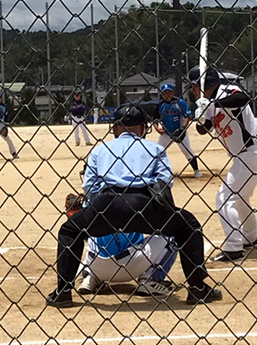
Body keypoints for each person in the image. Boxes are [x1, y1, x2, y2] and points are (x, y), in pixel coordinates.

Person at [45, 103, 221, 308]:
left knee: (70, 230)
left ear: (115, 129)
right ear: (143, 128)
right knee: (188, 225)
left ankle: (63, 293)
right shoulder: (155, 148)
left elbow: (90, 187)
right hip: (144, 203)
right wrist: (162, 212)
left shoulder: (100, 150)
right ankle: (198, 289)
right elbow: (164, 183)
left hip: (107, 204)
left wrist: (95, 212)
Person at [188, 65, 257, 262]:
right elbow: (204, 129)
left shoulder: (227, 91)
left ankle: (234, 247)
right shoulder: (207, 101)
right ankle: (250, 238)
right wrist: (200, 116)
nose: (192, 91)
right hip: (247, 156)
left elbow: (242, 99)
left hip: (253, 152)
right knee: (240, 199)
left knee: (225, 198)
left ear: (202, 83)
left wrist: (213, 103)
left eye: (194, 86)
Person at [78, 232, 177, 296]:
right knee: (172, 236)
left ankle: (91, 277)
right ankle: (149, 279)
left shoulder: (93, 199)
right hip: (131, 265)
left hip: (96, 266)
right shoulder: (138, 200)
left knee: (92, 233)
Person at [154, 83, 202, 178]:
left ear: (173, 92)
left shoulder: (180, 102)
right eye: (165, 92)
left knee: (187, 151)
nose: (167, 94)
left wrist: (183, 128)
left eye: (169, 92)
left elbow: (187, 116)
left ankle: (196, 171)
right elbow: (155, 119)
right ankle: (157, 172)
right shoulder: (160, 105)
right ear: (162, 94)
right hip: (167, 133)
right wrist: (157, 129)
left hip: (180, 132)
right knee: (157, 152)